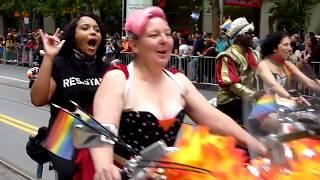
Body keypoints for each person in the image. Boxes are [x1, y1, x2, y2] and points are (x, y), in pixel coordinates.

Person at [88, 7, 266, 180]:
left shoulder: (178, 80)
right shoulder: (118, 78)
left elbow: (217, 120)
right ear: (134, 45)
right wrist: (104, 166)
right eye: (154, 35)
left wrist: (256, 145)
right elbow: (102, 130)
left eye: (167, 33)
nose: (164, 39)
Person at [30, 13, 108, 180]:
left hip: (98, 134)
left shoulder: (106, 69)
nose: (93, 32)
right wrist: (49, 58)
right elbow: (38, 100)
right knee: (70, 173)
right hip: (64, 136)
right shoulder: (60, 64)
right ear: (74, 36)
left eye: (97, 29)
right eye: (85, 28)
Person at [216, 17, 261, 126]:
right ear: (239, 36)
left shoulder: (255, 54)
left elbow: (261, 76)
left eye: (252, 33)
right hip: (230, 100)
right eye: (248, 33)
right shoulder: (227, 56)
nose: (252, 36)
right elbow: (232, 85)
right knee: (254, 122)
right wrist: (255, 95)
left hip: (248, 98)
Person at [257, 31, 320, 100]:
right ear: (274, 48)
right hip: (264, 107)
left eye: (290, 45)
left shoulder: (288, 64)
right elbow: (273, 85)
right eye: (285, 45)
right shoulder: (263, 64)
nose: (290, 49)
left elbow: (308, 82)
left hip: (283, 106)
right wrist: (290, 97)